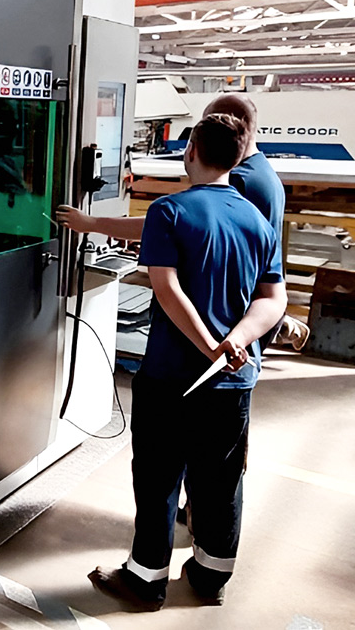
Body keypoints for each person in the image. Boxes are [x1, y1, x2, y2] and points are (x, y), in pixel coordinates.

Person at [84, 113, 286, 610]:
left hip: (171, 376)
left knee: (158, 478)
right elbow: (273, 299)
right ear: (238, 158)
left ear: (191, 150)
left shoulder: (169, 211)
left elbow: (166, 288)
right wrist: (235, 341)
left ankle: (145, 580)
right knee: (221, 480)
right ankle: (211, 576)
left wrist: (209, 344)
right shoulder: (257, 221)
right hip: (234, 381)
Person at [57, 93, 309, 350]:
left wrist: (92, 224)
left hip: (214, 321)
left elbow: (167, 234)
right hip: (241, 322)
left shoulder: (237, 182)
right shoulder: (264, 174)